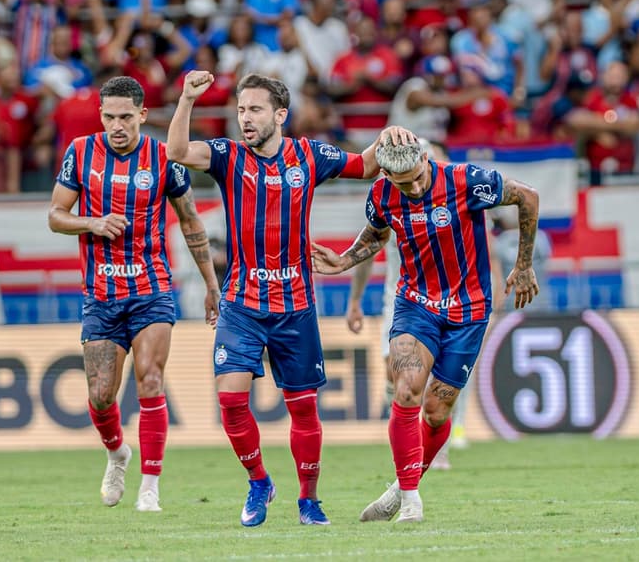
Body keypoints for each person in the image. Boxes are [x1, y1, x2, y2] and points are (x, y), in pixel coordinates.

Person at [166, 69, 410, 527]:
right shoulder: (226, 156)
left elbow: (365, 165)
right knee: (232, 399)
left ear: (281, 114)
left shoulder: (309, 155)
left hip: (295, 305)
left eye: (255, 109)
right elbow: (176, 152)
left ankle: (308, 500)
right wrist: (186, 100)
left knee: (302, 408)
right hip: (241, 303)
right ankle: (259, 482)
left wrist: (389, 135)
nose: (245, 118)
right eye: (241, 110)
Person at [311, 136, 540, 523]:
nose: (414, 188)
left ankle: (401, 487)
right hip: (415, 304)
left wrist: (524, 264)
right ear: (385, 174)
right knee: (406, 389)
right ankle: (413, 498)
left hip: (469, 311)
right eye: (403, 182)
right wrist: (345, 260)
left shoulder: (466, 181)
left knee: (436, 411)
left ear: (425, 159)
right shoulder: (382, 194)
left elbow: (528, 197)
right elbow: (377, 233)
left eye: (418, 177)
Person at [48, 76, 220, 513]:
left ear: (143, 114)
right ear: (100, 116)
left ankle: (150, 486)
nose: (117, 125)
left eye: (126, 116)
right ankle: (117, 453)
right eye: (109, 117)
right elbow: (55, 216)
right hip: (101, 294)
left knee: (151, 378)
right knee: (101, 395)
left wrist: (210, 283)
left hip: (152, 289)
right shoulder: (81, 153)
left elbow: (190, 221)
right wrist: (92, 223)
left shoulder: (165, 156)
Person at [346, 138, 451, 469]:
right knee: (397, 375)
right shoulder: (388, 201)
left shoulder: (450, 196)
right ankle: (410, 442)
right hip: (401, 298)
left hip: (448, 298)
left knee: (440, 380)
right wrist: (355, 301)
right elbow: (368, 250)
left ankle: (435, 447)